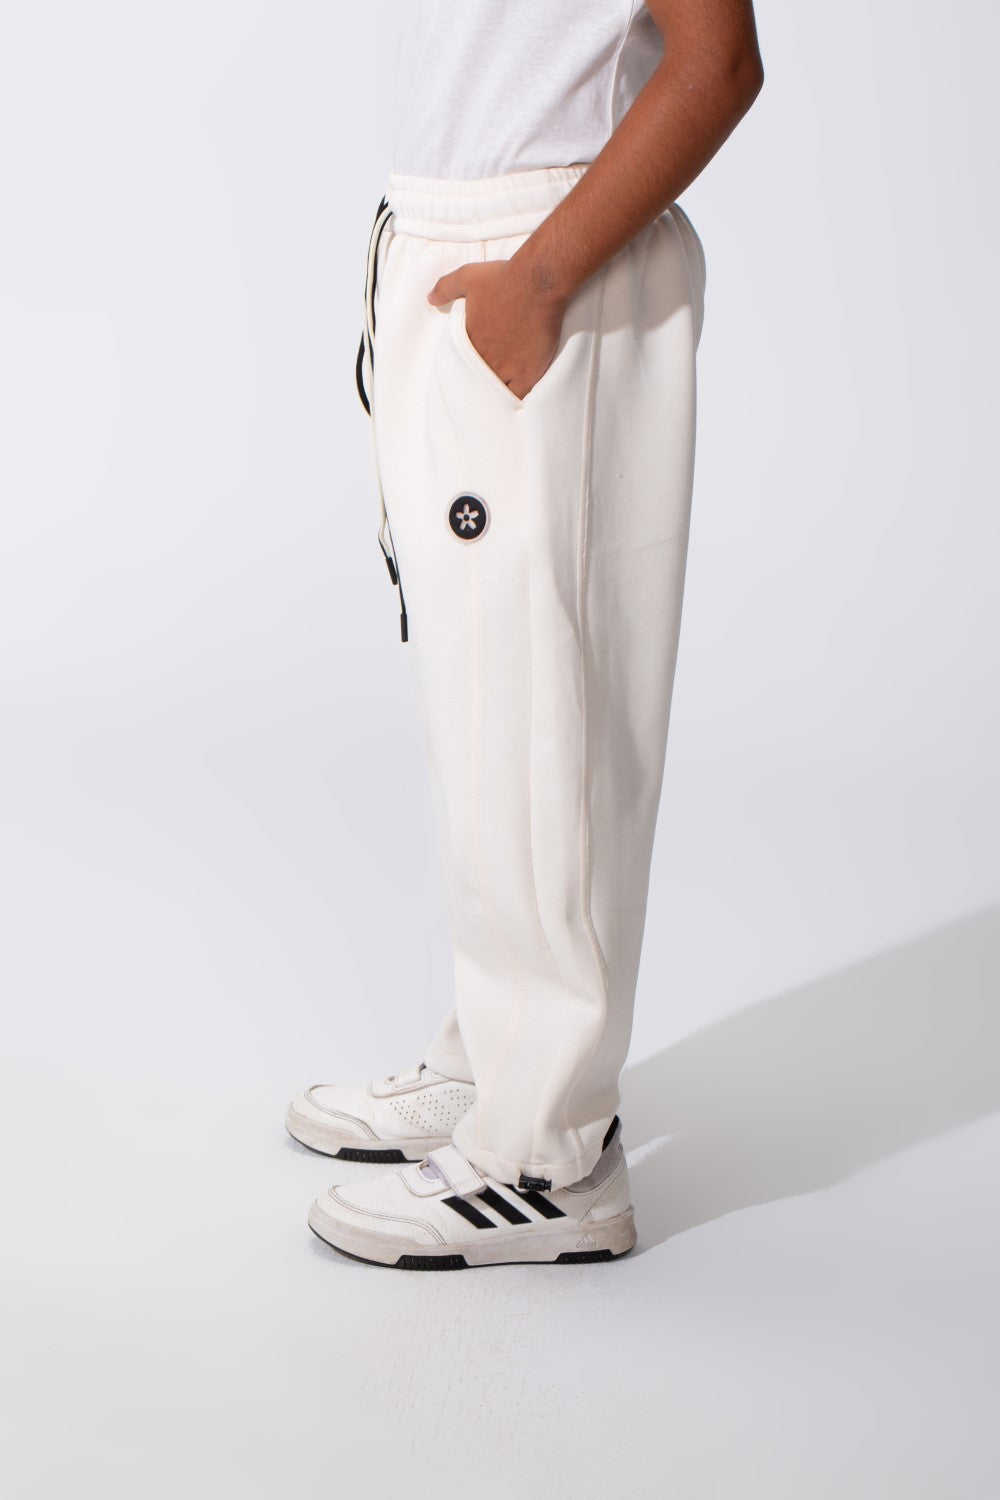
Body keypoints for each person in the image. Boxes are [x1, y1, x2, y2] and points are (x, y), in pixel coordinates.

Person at [288, 0, 764, 1269]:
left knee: (547, 710)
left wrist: (540, 281)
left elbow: (718, 61)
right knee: (486, 700)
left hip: (550, 259)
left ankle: (547, 1151)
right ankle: (499, 1057)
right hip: (456, 243)